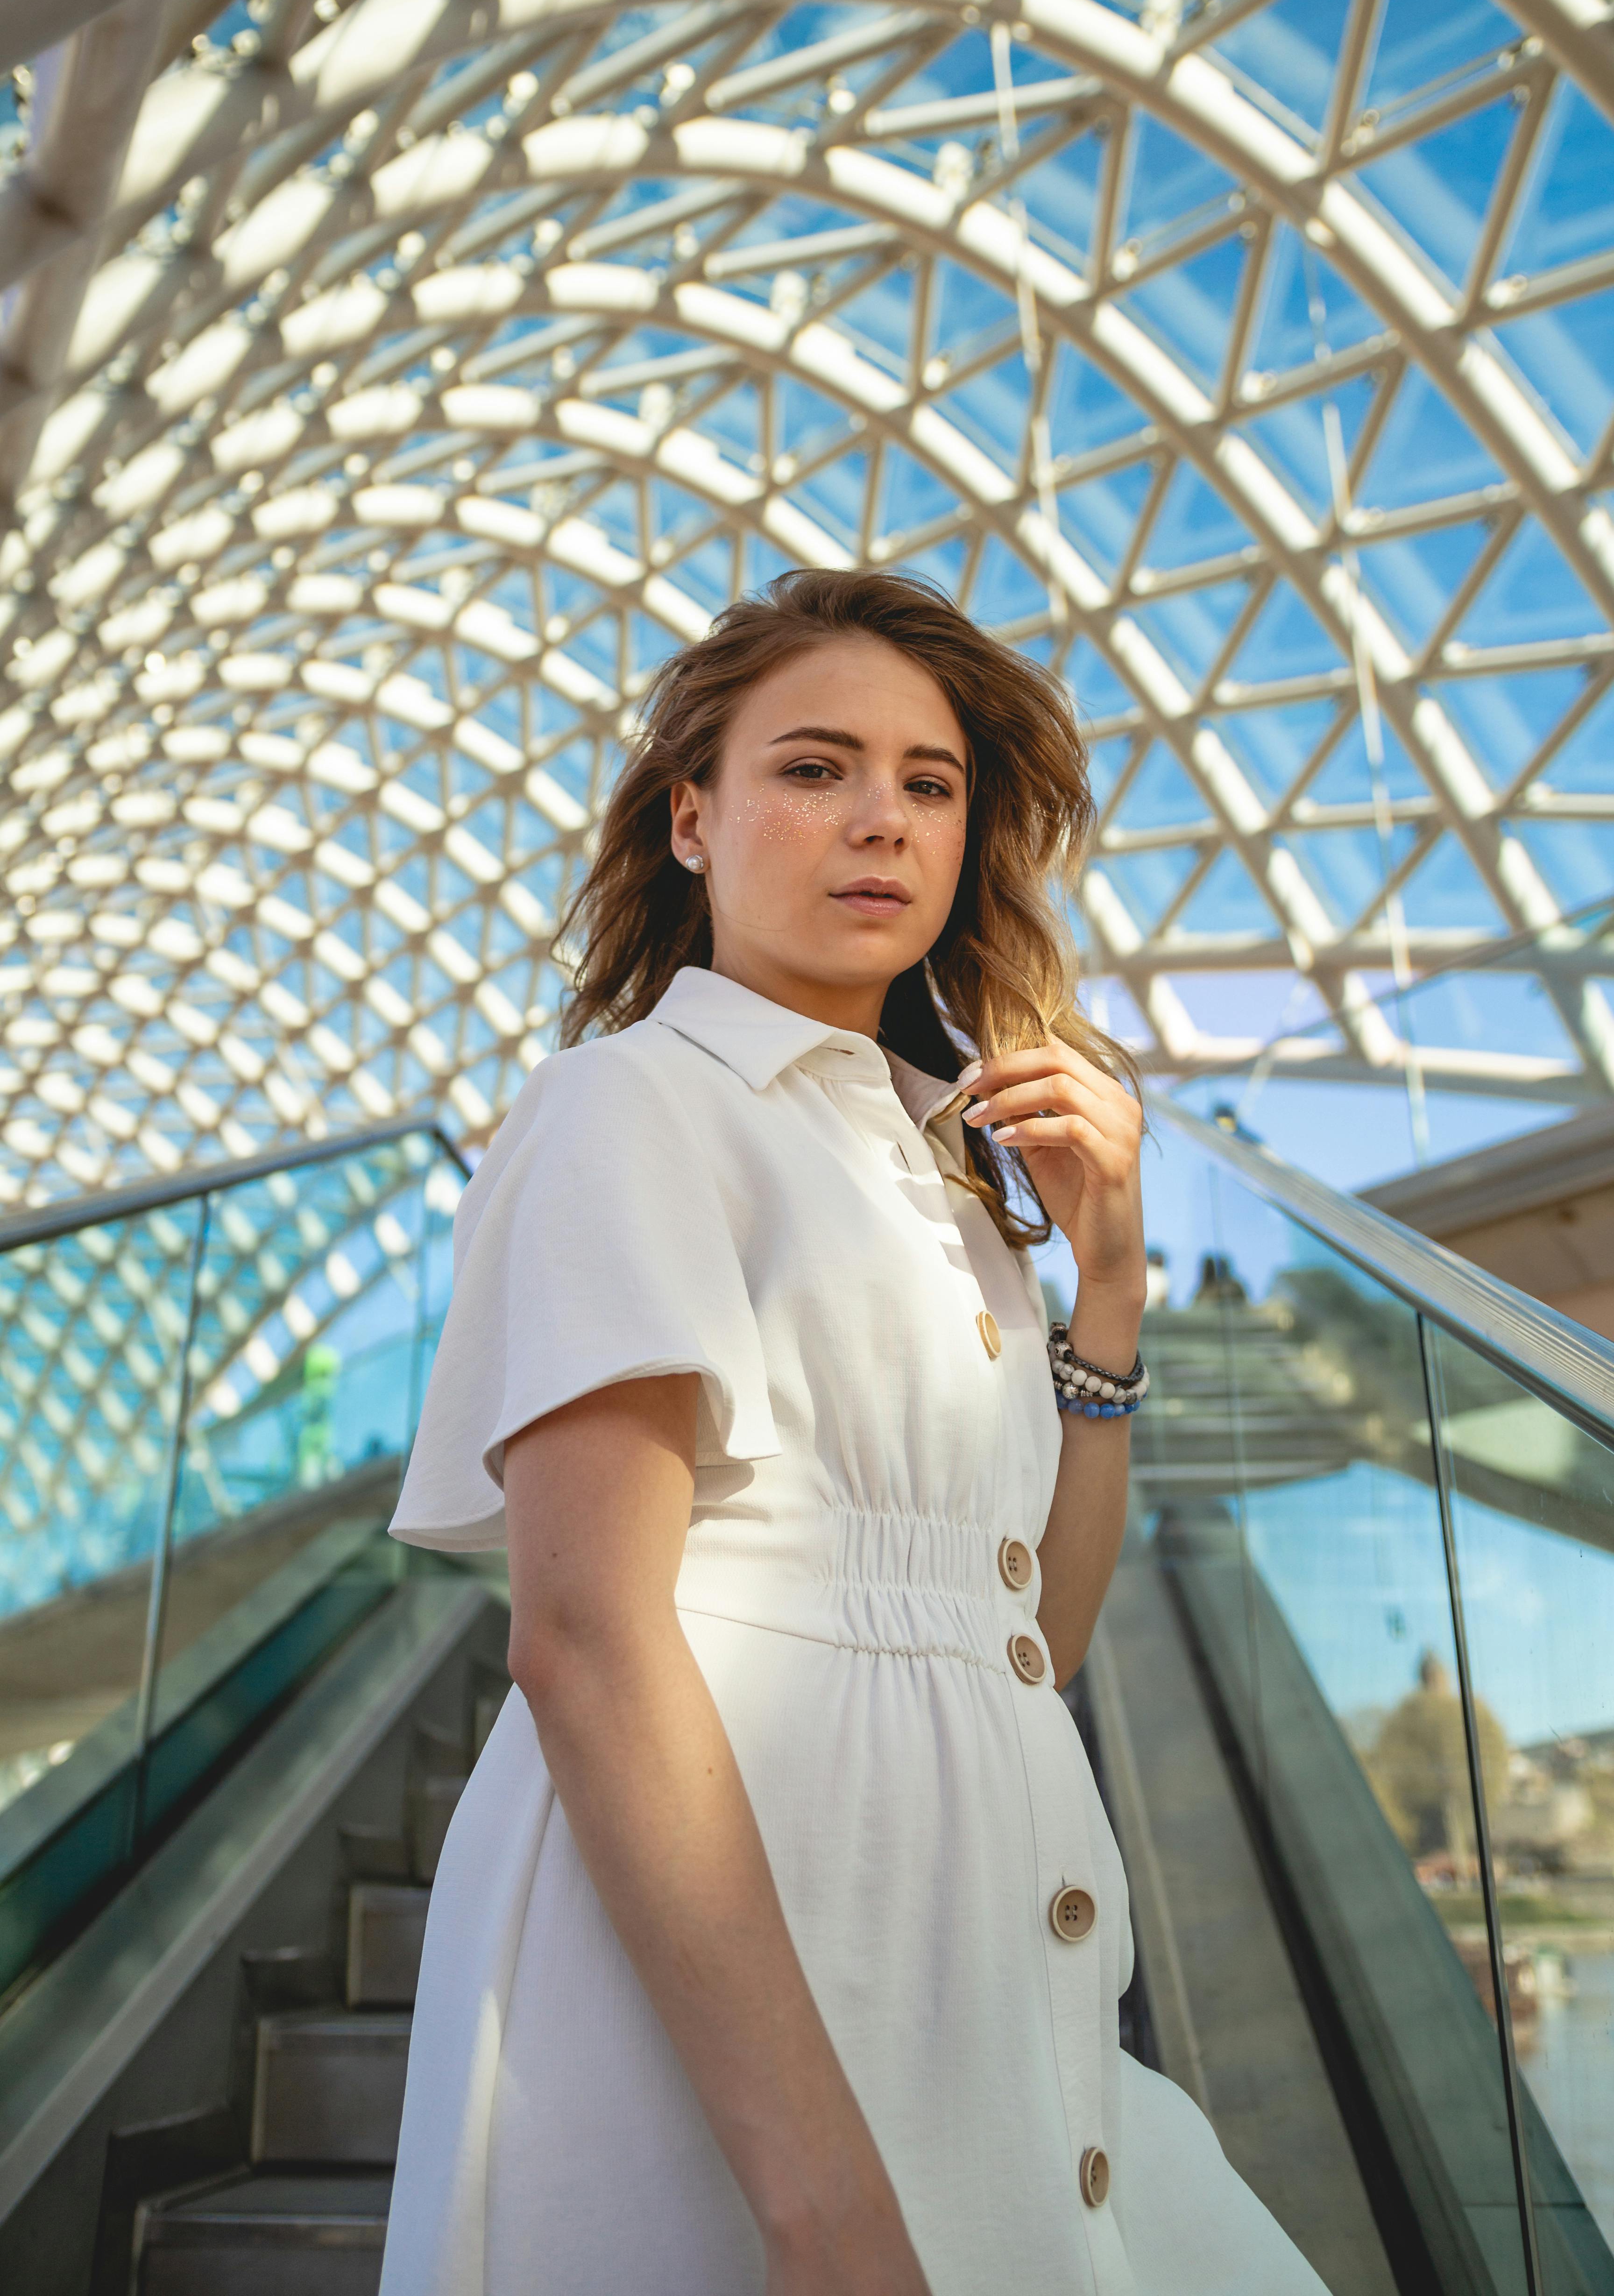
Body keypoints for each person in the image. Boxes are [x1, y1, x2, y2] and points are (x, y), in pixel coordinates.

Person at [380, 570, 1326, 2296]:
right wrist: (819, 2198)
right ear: (692, 815)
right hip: (751, 1992)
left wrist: (1103, 1296)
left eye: (931, 783)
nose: (880, 820)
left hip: (974, 1961)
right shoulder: (631, 1105)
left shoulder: (953, 1179)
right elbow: (586, 1639)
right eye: (814, 769)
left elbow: (1025, 1645)